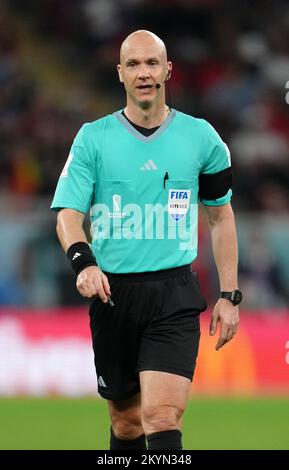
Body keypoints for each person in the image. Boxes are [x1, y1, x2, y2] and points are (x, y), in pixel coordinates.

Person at [51, 30, 241, 451]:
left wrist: (230, 294)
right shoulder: (92, 138)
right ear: (120, 73)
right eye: (133, 65)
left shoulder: (202, 138)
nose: (143, 73)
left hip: (173, 294)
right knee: (126, 424)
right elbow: (67, 216)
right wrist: (83, 263)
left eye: (152, 63)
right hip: (113, 295)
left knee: (161, 415)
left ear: (167, 70)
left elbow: (221, 217)